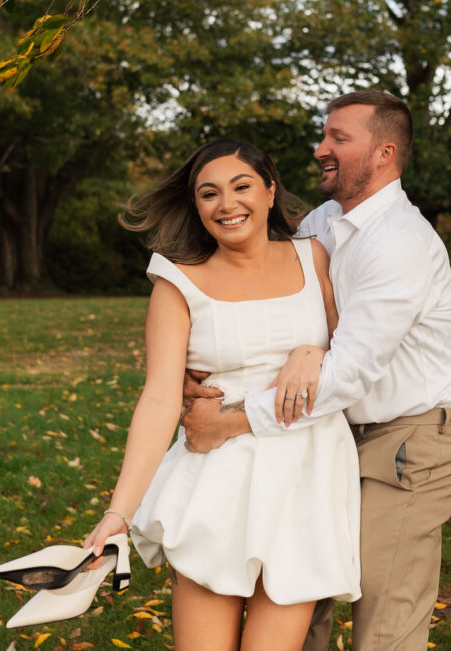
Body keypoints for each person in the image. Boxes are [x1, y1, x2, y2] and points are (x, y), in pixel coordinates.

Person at [181, 91, 451, 650]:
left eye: (339, 138)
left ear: (384, 152)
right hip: (327, 435)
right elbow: (277, 304)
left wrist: (230, 420)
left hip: (409, 442)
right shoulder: (323, 221)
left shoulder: (401, 244)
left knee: (382, 622)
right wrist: (195, 370)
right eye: (325, 135)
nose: (321, 149)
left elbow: (348, 373)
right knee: (296, 593)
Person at [83, 139, 361, 650]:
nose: (227, 204)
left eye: (242, 187)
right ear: (196, 206)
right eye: (209, 194)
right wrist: (117, 513)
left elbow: (353, 352)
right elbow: (160, 400)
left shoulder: (315, 255)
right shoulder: (176, 279)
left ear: (271, 190)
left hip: (309, 473)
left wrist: (315, 354)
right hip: (218, 477)